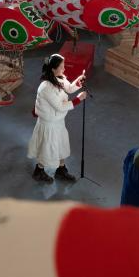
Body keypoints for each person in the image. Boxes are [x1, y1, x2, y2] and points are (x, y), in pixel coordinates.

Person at [27, 54, 87, 183]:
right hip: (49, 124)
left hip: (58, 122)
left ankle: (61, 169)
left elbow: (69, 88)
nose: (64, 69)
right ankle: (39, 171)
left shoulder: (59, 78)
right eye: (61, 67)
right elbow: (60, 107)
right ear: (53, 69)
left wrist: (78, 81)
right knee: (47, 148)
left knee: (61, 145)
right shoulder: (46, 87)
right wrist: (78, 99)